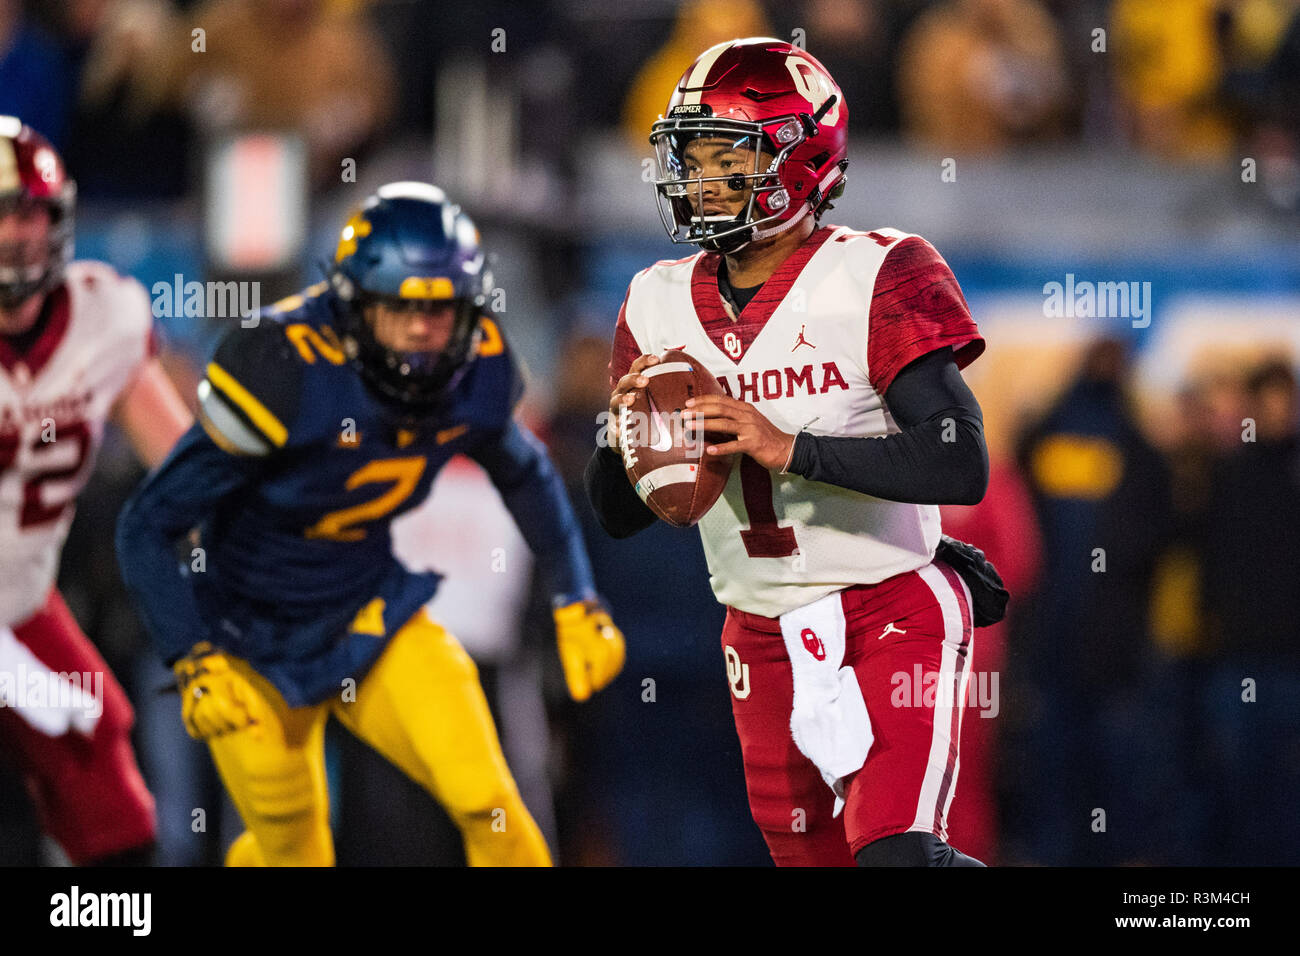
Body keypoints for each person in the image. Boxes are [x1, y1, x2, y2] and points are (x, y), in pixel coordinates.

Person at [115, 181, 624, 866]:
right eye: (401, 307)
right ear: (355, 305)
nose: (423, 330)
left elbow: (525, 475)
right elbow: (147, 523)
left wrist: (574, 597)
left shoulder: (474, 368)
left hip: (368, 614)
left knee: (490, 801)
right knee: (294, 849)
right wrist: (193, 655)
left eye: (441, 308)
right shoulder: (283, 367)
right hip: (247, 638)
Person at [585, 38, 998, 867]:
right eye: (692, 157)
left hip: (888, 609)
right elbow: (617, 514)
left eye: (727, 157)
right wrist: (631, 443)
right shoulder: (654, 302)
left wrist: (789, 448)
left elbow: (960, 461)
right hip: (758, 630)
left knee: (895, 858)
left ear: (798, 159)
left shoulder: (878, 273)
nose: (700, 179)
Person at [0, 116, 191, 864]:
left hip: (19, 604)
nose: (15, 234)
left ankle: (96, 918)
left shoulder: (100, 317)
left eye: (29, 213)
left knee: (109, 790)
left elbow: (187, 465)